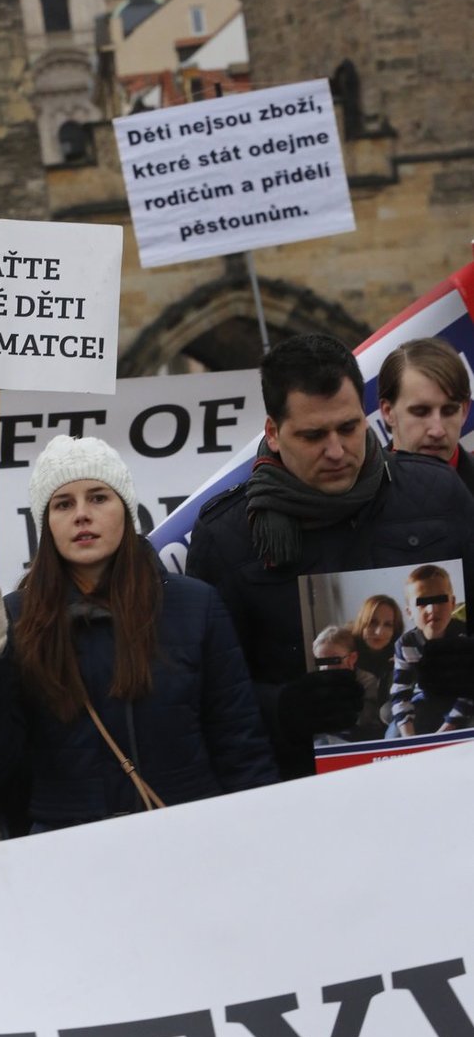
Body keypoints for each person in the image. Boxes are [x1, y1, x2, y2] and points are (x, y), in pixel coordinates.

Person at [0, 435, 277, 831]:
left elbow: (241, 749)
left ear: (126, 509)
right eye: (63, 504)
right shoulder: (14, 620)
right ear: (46, 523)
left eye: (99, 497)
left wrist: (261, 837)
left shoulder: (196, 606)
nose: (82, 515)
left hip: (190, 842)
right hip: (71, 857)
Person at [186, 333, 474, 779]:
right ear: (274, 433)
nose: (337, 451)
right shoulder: (225, 536)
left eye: (348, 427)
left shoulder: (438, 493)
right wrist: (282, 708)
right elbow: (204, 693)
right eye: (313, 435)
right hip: (306, 789)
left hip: (448, 772)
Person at [388, 564, 474, 738]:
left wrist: (445, 731)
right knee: (393, 735)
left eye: (440, 600)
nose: (432, 609)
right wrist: (408, 735)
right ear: (409, 612)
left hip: (463, 703)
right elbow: (400, 692)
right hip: (426, 700)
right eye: (422, 602)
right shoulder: (405, 644)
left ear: (452, 603)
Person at [378, 337, 473, 491]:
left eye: (449, 411)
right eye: (421, 412)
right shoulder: (358, 503)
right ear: (388, 412)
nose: (437, 431)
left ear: (464, 410)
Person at [310, 625, 383, 744]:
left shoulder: (367, 680)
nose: (327, 667)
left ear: (352, 658)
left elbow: (365, 718)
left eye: (334, 660)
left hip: (358, 734)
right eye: (322, 662)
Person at [350, 593, 403, 714]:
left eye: (388, 624)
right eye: (373, 622)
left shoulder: (401, 656)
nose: (379, 632)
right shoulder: (346, 653)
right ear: (362, 622)